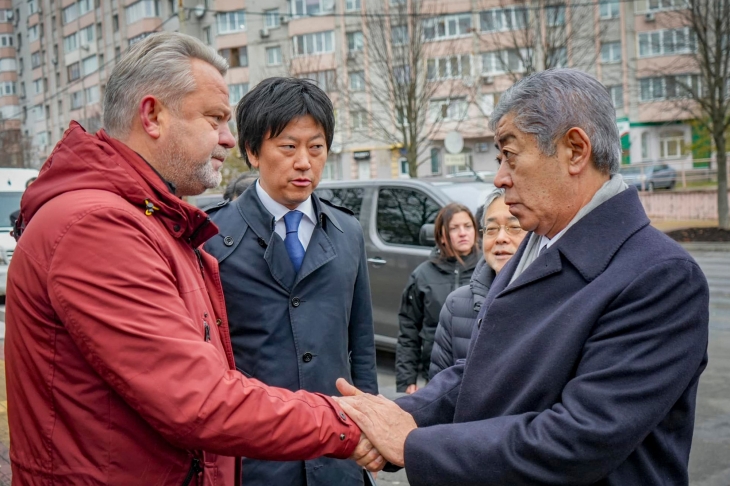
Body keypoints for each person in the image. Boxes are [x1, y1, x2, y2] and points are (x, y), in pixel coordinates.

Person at [5, 33, 366, 486]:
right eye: (215, 118)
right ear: (152, 115)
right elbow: (198, 400)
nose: (228, 139)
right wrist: (352, 425)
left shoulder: (152, 219)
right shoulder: (97, 227)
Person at [336, 69, 710, 485]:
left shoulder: (659, 275)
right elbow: (482, 371)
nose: (499, 178)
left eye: (510, 155)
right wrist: (402, 415)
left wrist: (412, 443)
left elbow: (579, 438)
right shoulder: (538, 243)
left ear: (574, 150)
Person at [204, 77, 377, 486]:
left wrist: (371, 423)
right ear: (252, 151)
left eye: (315, 147)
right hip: (255, 459)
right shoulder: (210, 238)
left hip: (337, 453)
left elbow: (361, 344)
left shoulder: (347, 231)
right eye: (288, 146)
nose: (304, 162)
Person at [429, 188, 526, 378]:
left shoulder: (559, 300)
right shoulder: (456, 305)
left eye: (514, 227)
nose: (500, 238)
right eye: (491, 229)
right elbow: (438, 390)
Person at [396, 203, 480, 394]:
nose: (463, 233)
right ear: (442, 236)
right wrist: (407, 379)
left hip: (480, 374)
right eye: (454, 228)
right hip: (436, 374)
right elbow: (409, 329)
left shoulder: (488, 269)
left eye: (468, 226)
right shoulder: (422, 275)